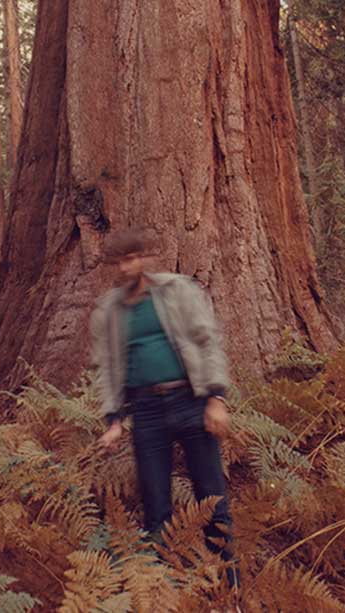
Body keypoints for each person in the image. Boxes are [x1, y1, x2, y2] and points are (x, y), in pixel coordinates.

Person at [90, 227, 238, 587]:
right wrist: (113, 419)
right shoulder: (109, 311)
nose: (126, 267)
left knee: (212, 497)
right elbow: (108, 367)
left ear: (142, 259)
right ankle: (163, 591)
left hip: (190, 400)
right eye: (119, 262)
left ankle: (229, 584)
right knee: (156, 505)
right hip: (146, 411)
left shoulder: (176, 291)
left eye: (132, 258)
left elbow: (207, 342)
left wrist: (216, 398)